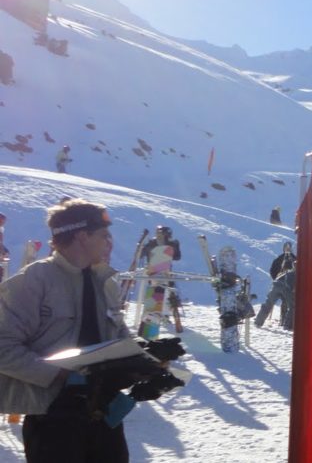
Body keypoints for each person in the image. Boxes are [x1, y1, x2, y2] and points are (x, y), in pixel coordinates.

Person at [0, 198, 186, 462]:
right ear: (82, 236)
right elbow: (4, 347)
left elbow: (117, 340)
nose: (108, 242)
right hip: (53, 416)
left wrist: (148, 361)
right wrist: (63, 375)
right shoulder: (33, 281)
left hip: (103, 413)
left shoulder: (104, 282)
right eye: (103, 235)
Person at [255, 258, 295, 330]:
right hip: (285, 287)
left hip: (276, 285)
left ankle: (258, 322)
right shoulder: (296, 274)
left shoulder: (284, 273)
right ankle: (287, 326)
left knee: (268, 303)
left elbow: (277, 279)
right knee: (292, 306)